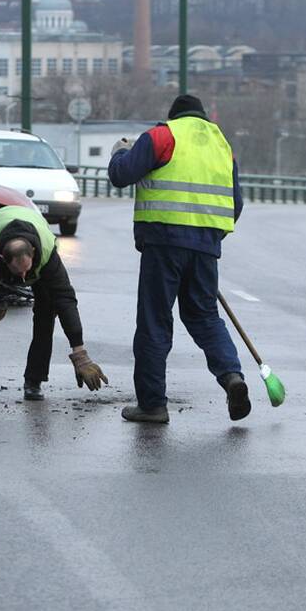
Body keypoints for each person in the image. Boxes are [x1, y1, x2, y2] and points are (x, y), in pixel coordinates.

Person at [108, 94, 250, 424]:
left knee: (155, 322)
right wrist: (207, 237)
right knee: (205, 317)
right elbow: (235, 204)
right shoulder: (222, 146)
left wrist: (120, 153)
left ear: (174, 115)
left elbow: (121, 175)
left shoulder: (162, 136)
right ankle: (232, 376)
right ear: (201, 117)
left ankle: (153, 405)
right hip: (204, 247)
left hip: (163, 244)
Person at [0, 205, 107, 401]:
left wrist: (79, 352)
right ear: (3, 258)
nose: (24, 277)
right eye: (19, 273)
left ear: (33, 252)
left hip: (37, 255)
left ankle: (34, 382)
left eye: (26, 271)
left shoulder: (47, 253)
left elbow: (66, 300)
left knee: (47, 314)